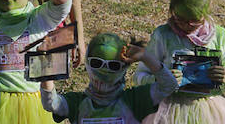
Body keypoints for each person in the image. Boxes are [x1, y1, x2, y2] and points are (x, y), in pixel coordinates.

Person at [133, 0, 225, 123]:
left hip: (211, 113)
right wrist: (161, 78)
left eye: (194, 21)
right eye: (179, 19)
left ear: (207, 9)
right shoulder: (163, 36)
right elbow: (139, 76)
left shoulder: (221, 37)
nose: (186, 26)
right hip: (167, 112)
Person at [41, 33, 179, 123]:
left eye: (113, 66)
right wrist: (47, 63)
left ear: (123, 68)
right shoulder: (77, 103)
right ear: (88, 63)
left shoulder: (134, 100)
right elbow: (51, 103)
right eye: (96, 63)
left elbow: (169, 85)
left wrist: (145, 56)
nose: (104, 72)